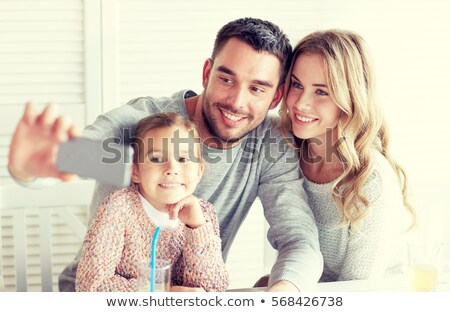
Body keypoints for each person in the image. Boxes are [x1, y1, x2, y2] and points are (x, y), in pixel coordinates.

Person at [8, 17, 323, 291]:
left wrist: (282, 294)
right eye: (226, 79)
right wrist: (35, 167)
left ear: (276, 95)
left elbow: (299, 240)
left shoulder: (268, 145)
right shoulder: (143, 122)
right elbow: (83, 153)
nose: (237, 101)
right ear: (206, 73)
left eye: (257, 88)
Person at [279, 29, 416, 282]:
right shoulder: (287, 150)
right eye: (297, 85)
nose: (300, 103)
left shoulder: (373, 182)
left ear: (350, 98)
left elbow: (356, 292)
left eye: (321, 91)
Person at [76, 112, 228, 291]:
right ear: (135, 171)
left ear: (199, 172)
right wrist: (164, 293)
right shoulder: (119, 208)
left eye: (184, 159)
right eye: (156, 159)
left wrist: (197, 228)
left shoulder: (204, 214)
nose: (172, 169)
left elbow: (214, 288)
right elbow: (91, 285)